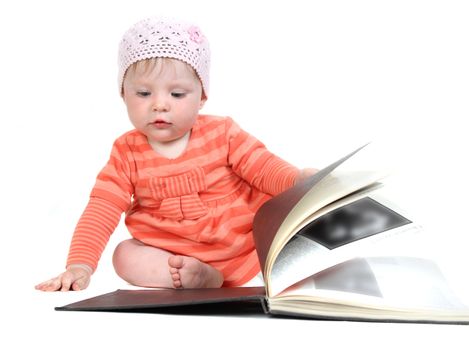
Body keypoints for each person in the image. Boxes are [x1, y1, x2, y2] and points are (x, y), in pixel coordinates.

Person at [35, 17, 315, 292]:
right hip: (175, 258)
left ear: (201, 96)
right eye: (143, 93)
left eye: (178, 94)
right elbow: (103, 207)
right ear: (123, 94)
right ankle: (197, 277)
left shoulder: (222, 133)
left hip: (244, 247)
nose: (159, 105)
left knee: (286, 223)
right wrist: (79, 265)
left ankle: (236, 271)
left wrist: (297, 179)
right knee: (123, 255)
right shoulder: (126, 151)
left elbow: (263, 168)